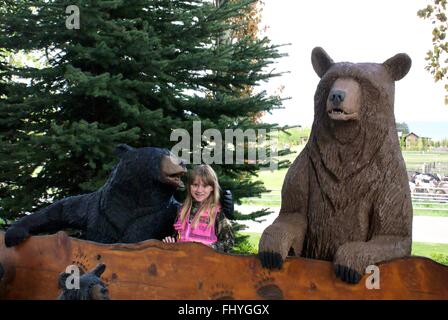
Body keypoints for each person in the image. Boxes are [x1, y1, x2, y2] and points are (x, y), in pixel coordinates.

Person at [163, 164, 234, 252]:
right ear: (190, 186)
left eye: (205, 186)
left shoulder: (218, 212)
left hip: (207, 262)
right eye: (195, 185)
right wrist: (171, 244)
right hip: (183, 261)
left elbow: (229, 243)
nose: (199, 190)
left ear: (212, 187)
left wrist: (207, 249)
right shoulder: (182, 209)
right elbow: (177, 237)